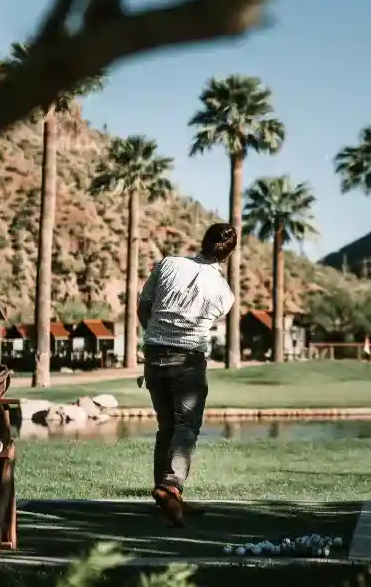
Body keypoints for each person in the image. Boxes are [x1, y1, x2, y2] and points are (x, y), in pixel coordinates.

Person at [137, 222, 236, 526]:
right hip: (188, 360)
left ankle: (166, 495)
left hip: (154, 354)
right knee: (186, 426)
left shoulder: (168, 264)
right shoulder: (224, 293)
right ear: (228, 254)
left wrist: (157, 337)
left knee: (166, 426)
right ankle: (171, 486)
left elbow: (144, 307)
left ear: (203, 240)